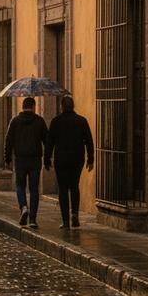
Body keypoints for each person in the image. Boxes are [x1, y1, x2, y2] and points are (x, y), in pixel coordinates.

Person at [44, 96, 94, 229]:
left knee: (63, 189)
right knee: (74, 186)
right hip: (77, 159)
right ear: (73, 106)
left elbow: (50, 142)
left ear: (62, 106)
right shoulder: (81, 121)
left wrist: (47, 159)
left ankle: (66, 221)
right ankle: (75, 214)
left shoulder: (56, 122)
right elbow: (89, 140)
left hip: (61, 160)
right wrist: (91, 159)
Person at [4, 97, 48, 228]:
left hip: (20, 159)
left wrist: (8, 159)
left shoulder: (15, 121)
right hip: (35, 159)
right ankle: (33, 219)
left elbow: (8, 141)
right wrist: (47, 159)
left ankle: (23, 207)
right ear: (34, 106)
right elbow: (47, 140)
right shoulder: (40, 121)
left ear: (22, 107)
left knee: (20, 185)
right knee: (34, 188)